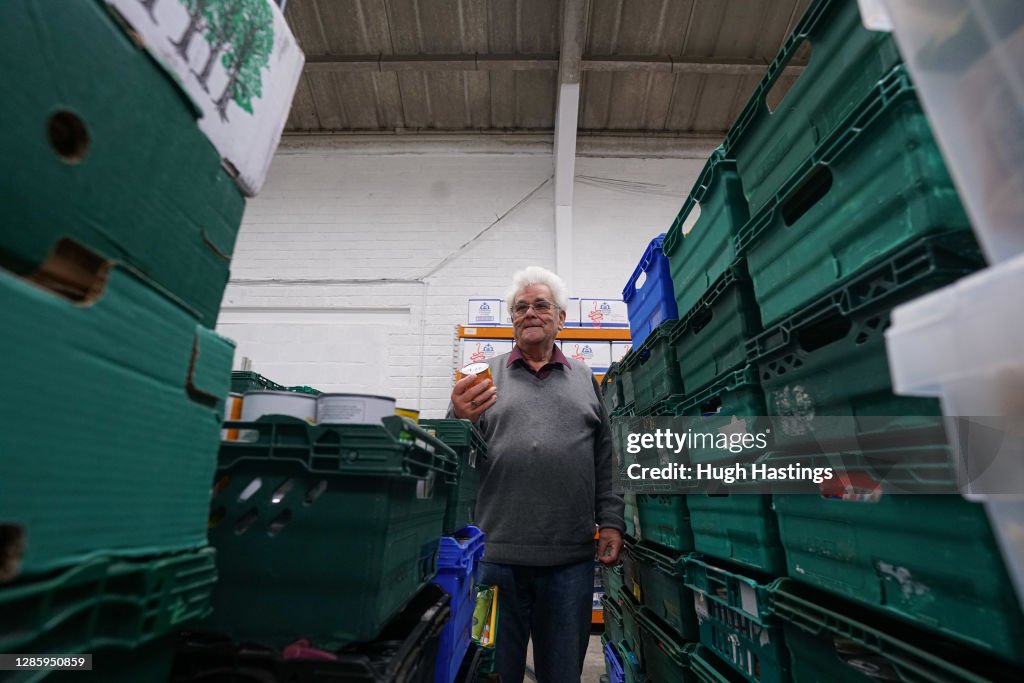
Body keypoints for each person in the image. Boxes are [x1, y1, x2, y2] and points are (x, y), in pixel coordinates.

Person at [450, 265, 625, 683]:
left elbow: (605, 456)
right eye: (520, 307)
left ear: (560, 319)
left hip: (569, 563)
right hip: (494, 562)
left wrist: (612, 521)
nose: (530, 312)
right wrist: (458, 419)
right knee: (491, 674)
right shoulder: (483, 378)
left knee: (562, 673)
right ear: (511, 319)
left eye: (541, 305)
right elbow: (454, 459)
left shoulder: (584, 379)